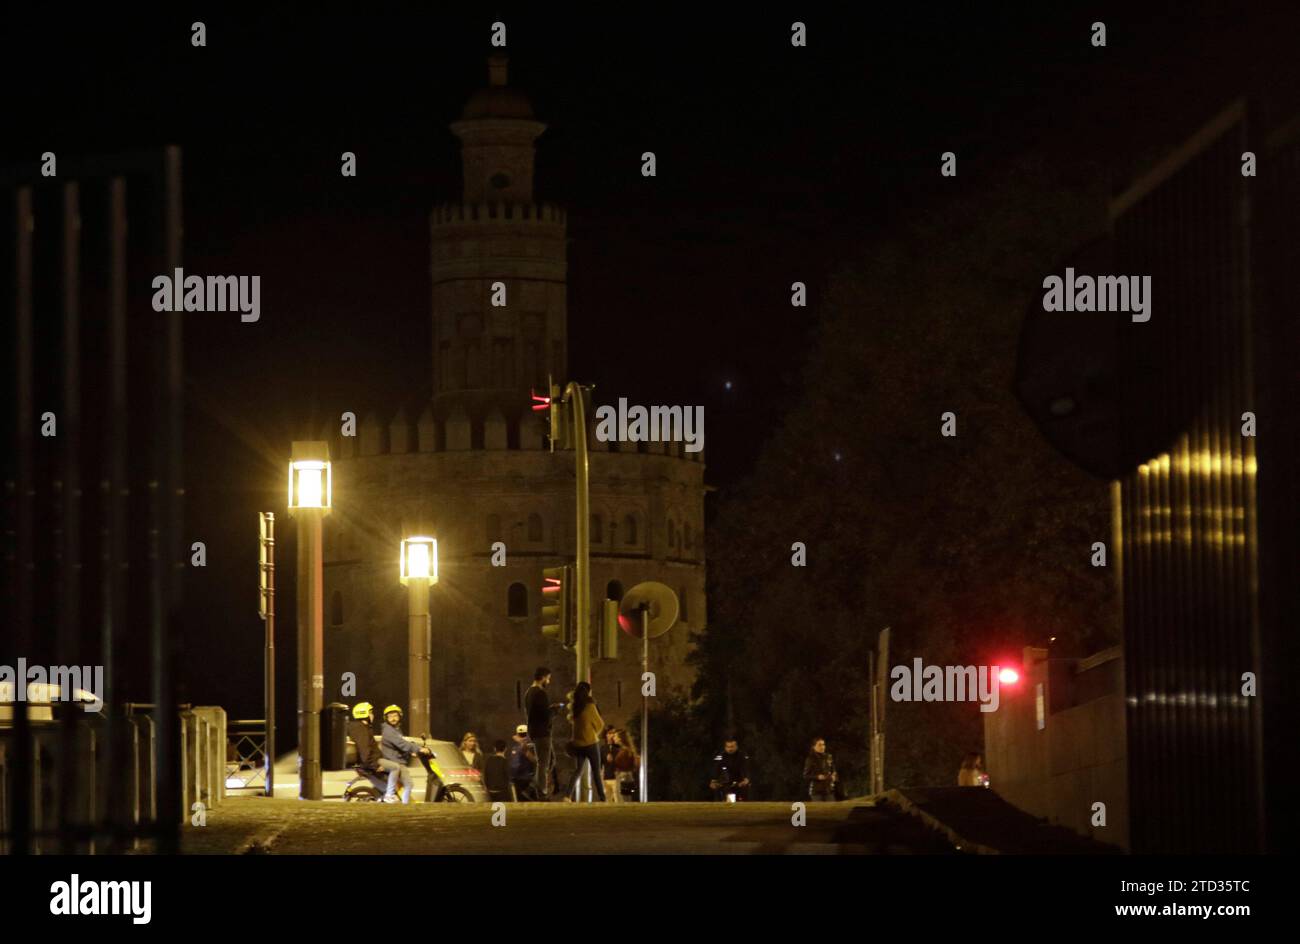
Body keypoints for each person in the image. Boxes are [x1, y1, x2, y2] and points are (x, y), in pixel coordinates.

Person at [380, 704, 431, 804]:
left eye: (395, 715)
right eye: (390, 716)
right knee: (407, 783)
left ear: (400, 716)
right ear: (386, 718)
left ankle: (404, 805)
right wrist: (419, 749)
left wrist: (411, 752)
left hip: (398, 761)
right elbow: (402, 744)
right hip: (393, 762)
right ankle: (389, 795)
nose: (393, 718)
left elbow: (400, 746)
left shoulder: (396, 730)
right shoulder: (388, 731)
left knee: (409, 784)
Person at [568, 681, 606, 802]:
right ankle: (602, 797)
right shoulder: (590, 706)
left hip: (578, 744)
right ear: (588, 692)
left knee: (577, 771)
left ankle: (567, 795)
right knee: (596, 772)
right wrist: (593, 733)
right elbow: (600, 724)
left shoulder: (575, 707)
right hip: (591, 743)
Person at [525, 667, 556, 799]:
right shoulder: (540, 693)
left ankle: (535, 787)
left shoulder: (528, 693)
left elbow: (533, 713)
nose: (548, 681)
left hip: (534, 731)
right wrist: (554, 711)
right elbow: (545, 715)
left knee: (546, 761)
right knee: (544, 762)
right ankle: (539, 790)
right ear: (543, 677)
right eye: (548, 678)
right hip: (542, 732)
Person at [803, 736, 837, 802]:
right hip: (816, 791)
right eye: (819, 745)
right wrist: (817, 777)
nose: (822, 747)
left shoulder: (828, 756)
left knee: (832, 810)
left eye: (823, 744)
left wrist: (834, 777)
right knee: (820, 810)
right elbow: (806, 775)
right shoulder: (810, 759)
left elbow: (833, 770)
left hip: (828, 790)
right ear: (814, 747)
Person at [508, 725, 536, 800]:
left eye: (524, 734)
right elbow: (513, 763)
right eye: (520, 734)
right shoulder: (515, 747)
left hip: (527, 779)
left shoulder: (532, 746)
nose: (522, 736)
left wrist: (523, 744)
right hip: (516, 779)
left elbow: (535, 760)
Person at [612, 728, 640, 803]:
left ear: (620, 738)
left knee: (623, 799)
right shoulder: (627, 750)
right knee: (627, 798)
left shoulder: (625, 751)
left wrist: (614, 764)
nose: (613, 738)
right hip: (627, 776)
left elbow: (624, 765)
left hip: (623, 777)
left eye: (615, 736)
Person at [601, 725, 620, 804]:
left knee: (617, 798)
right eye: (610, 733)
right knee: (608, 800)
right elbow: (600, 764)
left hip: (616, 776)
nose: (612, 735)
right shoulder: (602, 748)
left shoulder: (619, 748)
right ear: (606, 735)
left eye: (613, 733)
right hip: (606, 777)